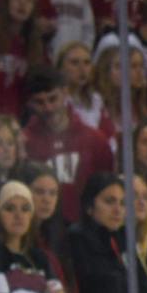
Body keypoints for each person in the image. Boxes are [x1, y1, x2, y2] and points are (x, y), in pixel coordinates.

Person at [22, 66, 115, 222]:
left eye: (53, 99)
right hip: (38, 232)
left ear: (65, 93)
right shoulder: (24, 142)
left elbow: (108, 191)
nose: (48, 108)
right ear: (29, 103)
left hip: (85, 232)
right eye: (39, 102)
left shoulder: (95, 140)